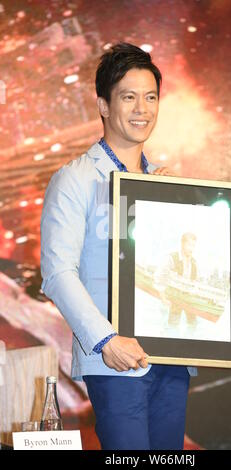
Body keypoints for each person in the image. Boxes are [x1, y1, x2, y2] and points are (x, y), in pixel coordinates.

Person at [40, 43, 197, 451]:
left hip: (171, 358)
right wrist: (106, 341)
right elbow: (57, 273)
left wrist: (175, 205)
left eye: (150, 97)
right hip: (114, 361)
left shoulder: (164, 181)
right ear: (104, 106)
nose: (141, 108)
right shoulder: (75, 179)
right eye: (128, 97)